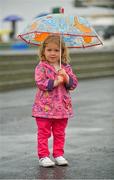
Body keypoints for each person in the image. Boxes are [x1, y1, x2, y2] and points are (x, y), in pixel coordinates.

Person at [32, 34, 78, 167]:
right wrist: (55, 81)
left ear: (62, 52)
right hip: (44, 108)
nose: (53, 53)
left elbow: (73, 84)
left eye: (57, 50)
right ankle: (43, 156)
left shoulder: (65, 67)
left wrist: (67, 78)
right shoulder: (41, 67)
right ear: (43, 51)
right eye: (49, 50)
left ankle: (58, 154)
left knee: (59, 133)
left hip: (62, 108)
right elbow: (40, 82)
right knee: (43, 132)